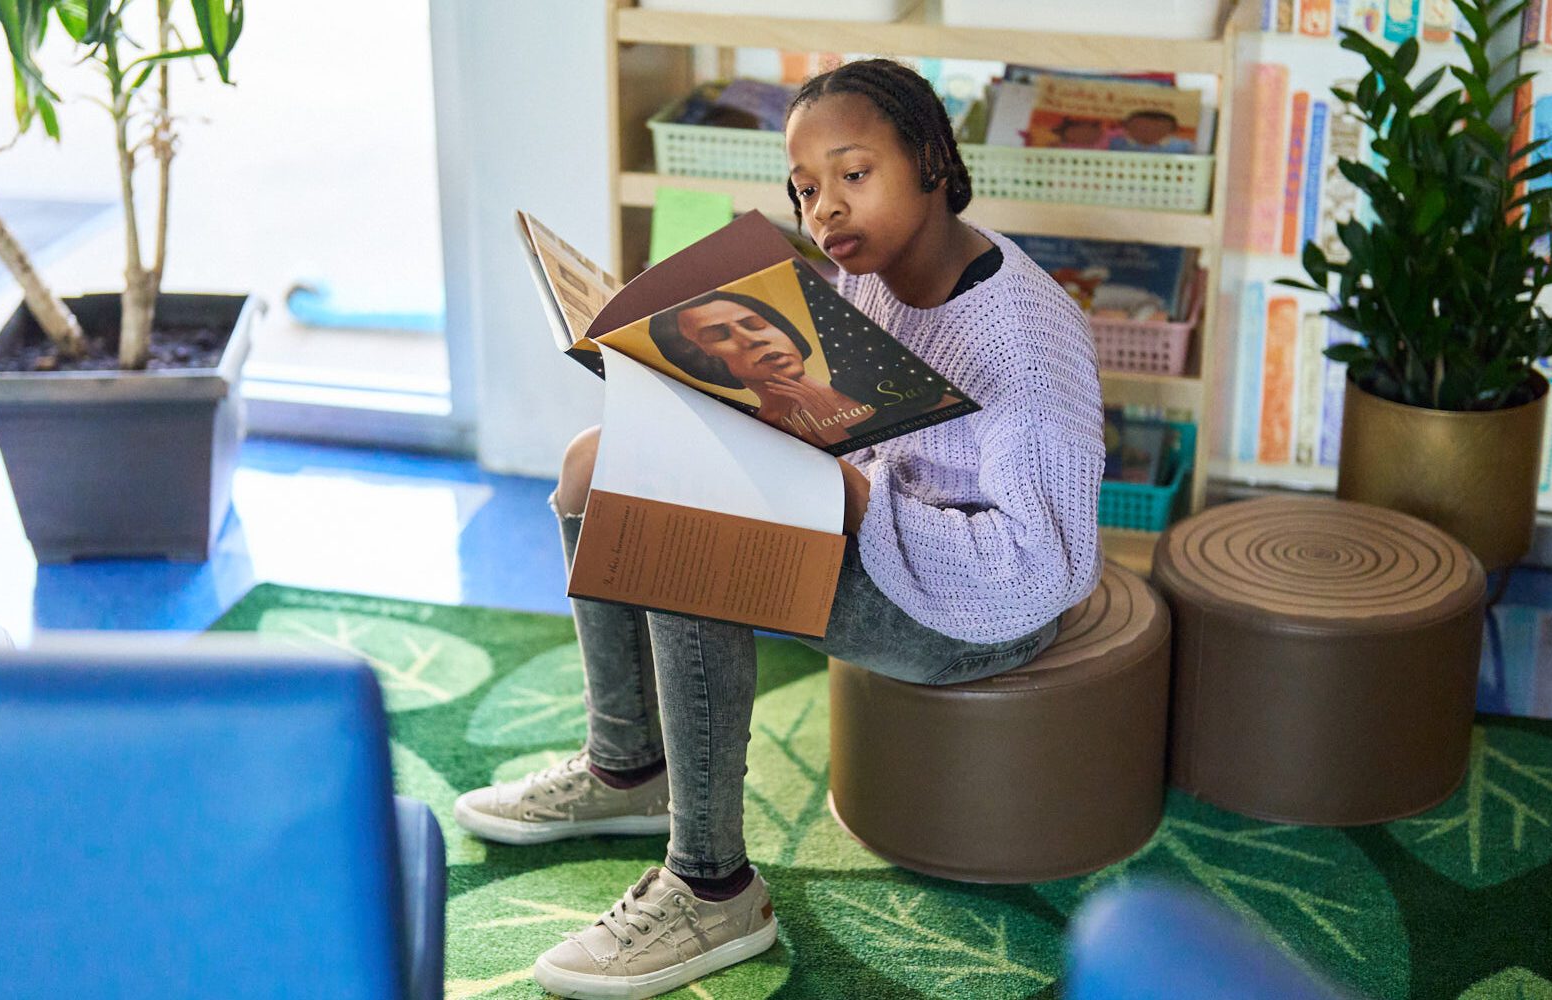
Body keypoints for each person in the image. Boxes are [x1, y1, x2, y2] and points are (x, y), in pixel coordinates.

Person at [456, 57, 1105, 1000]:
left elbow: (1039, 570)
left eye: (853, 174)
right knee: (593, 463)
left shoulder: (1021, 344)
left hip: (972, 607)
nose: (827, 211)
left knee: (692, 528)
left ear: (930, 159)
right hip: (874, 523)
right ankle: (628, 765)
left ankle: (712, 887)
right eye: (806, 189)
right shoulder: (879, 270)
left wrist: (849, 497)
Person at [649, 289, 891, 449]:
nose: (752, 340)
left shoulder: (874, 384)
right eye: (719, 335)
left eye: (755, 324)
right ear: (701, 359)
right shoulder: (752, 438)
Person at [1106, 110, 1194, 153]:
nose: (1149, 129)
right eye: (1141, 126)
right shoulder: (1115, 144)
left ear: (1172, 129)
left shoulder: (1183, 147)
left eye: (1157, 126)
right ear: (1127, 127)